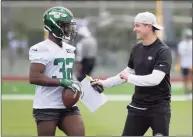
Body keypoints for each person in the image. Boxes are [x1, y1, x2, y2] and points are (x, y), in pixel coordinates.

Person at [92, 11, 172, 136]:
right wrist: (104, 83)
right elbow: (126, 73)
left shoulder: (163, 51)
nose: (134, 29)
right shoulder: (136, 49)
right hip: (137, 107)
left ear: (148, 27)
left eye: (137, 25)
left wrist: (129, 78)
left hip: (159, 109)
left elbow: (155, 79)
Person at [28, 7, 85, 136]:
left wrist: (77, 83)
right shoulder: (41, 48)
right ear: (53, 26)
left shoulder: (69, 49)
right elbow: (35, 77)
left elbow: (68, 73)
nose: (69, 29)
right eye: (65, 25)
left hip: (67, 105)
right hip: (46, 105)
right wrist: (62, 82)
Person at [175, 29, 192, 99]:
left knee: (190, 78)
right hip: (184, 64)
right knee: (185, 79)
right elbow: (180, 55)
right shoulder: (181, 44)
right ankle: (186, 92)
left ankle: (190, 92)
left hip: (191, 64)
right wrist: (178, 64)